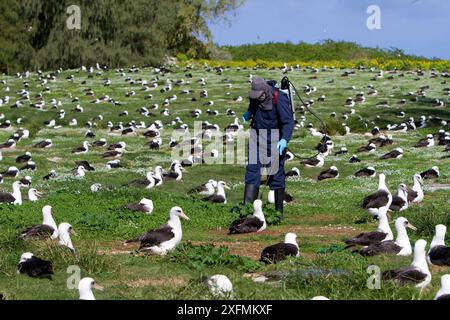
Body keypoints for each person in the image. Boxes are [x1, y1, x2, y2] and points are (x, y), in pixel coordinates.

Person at [242, 77, 295, 213]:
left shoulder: (279, 98)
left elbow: (288, 122)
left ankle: (278, 212)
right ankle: (247, 210)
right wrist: (249, 112)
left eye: (259, 96)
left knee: (276, 173)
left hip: (275, 139)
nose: (257, 98)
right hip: (257, 137)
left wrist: (284, 140)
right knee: (252, 171)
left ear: (265, 92)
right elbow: (253, 107)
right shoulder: (255, 97)